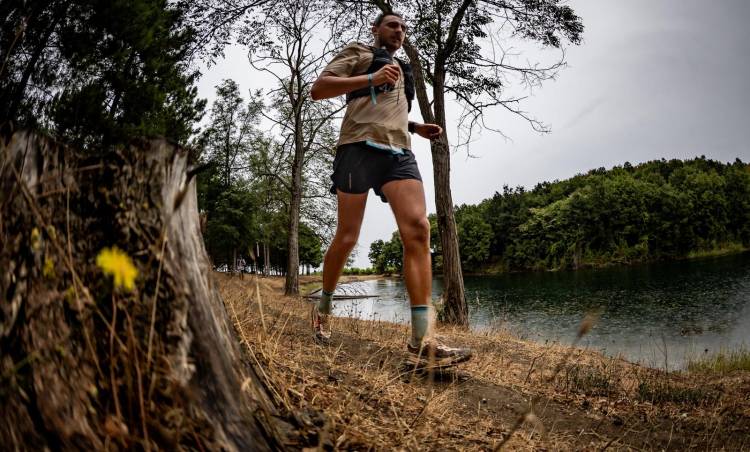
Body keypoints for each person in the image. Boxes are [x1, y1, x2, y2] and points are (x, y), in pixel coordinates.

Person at [310, 11, 472, 364]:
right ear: (377, 29)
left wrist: (415, 127)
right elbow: (318, 90)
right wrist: (371, 77)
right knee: (347, 236)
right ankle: (323, 308)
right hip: (357, 147)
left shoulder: (403, 70)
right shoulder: (359, 53)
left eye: (403, 27)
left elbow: (389, 113)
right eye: (392, 25)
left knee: (418, 229)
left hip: (399, 153)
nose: (399, 31)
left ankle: (421, 341)